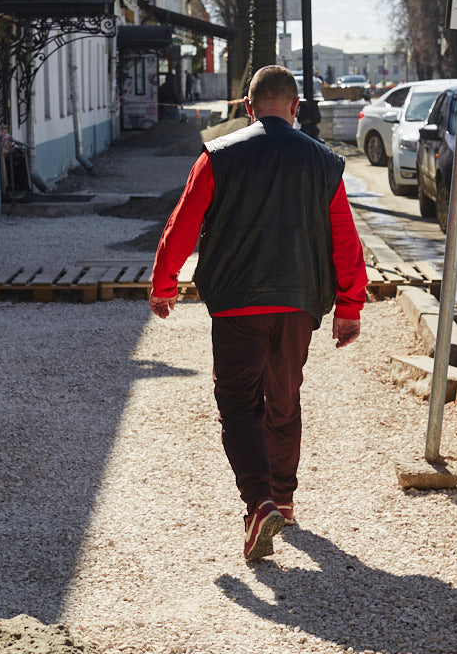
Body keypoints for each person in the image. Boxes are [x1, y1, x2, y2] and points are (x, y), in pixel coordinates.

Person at [149, 65, 368, 562]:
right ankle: (283, 499)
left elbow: (182, 225)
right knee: (284, 400)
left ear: (248, 108)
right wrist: (350, 306)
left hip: (237, 303)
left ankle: (258, 503)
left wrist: (164, 283)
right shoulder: (324, 163)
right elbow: (344, 238)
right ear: (295, 107)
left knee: (239, 403)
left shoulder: (218, 156)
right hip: (298, 302)